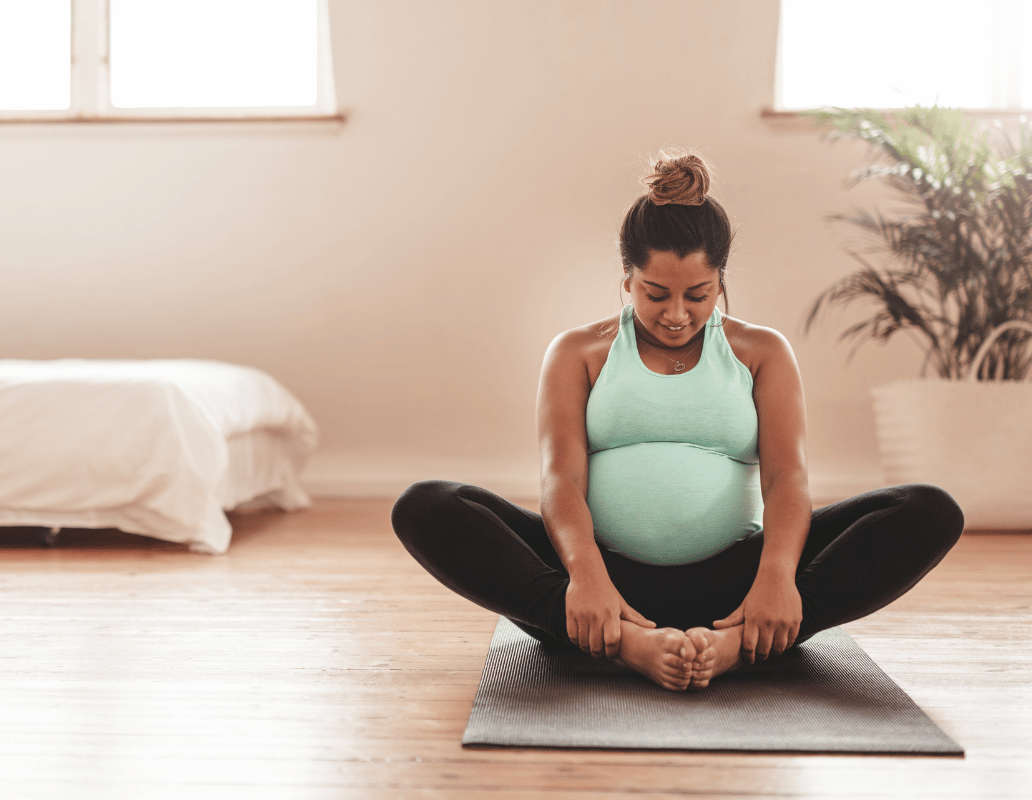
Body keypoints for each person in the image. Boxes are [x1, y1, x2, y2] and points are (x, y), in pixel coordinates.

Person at [390, 152, 964, 691]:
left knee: (928, 510)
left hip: (734, 581)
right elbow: (560, 481)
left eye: (699, 294)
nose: (676, 314)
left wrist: (776, 576)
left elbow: (787, 480)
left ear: (721, 282)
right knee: (428, 505)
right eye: (655, 293)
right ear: (626, 278)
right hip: (599, 580)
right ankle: (623, 640)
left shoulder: (761, 351)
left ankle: (743, 639)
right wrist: (587, 576)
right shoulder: (577, 352)